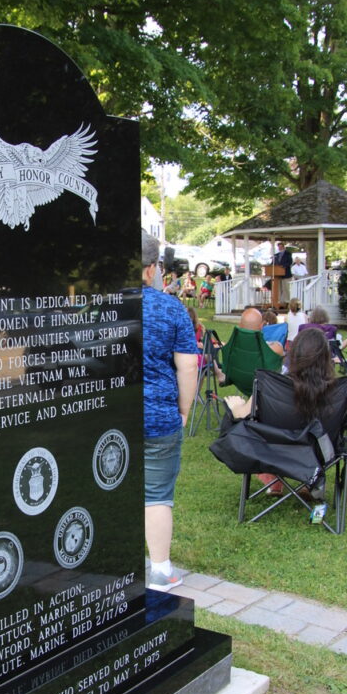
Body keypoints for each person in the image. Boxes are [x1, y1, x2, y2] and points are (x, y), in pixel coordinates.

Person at [226, 327, 347, 493]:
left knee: (246, 425)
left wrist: (235, 407)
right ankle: (307, 483)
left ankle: (275, 479)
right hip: (323, 452)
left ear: (294, 355)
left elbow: (242, 416)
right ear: (326, 357)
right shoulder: (342, 390)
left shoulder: (271, 384)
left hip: (275, 450)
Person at [142, 232, 198, 589]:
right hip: (158, 417)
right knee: (156, 495)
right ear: (151, 269)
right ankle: (160, 570)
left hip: (105, 416)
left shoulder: (97, 307)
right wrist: (183, 410)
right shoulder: (171, 308)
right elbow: (188, 367)